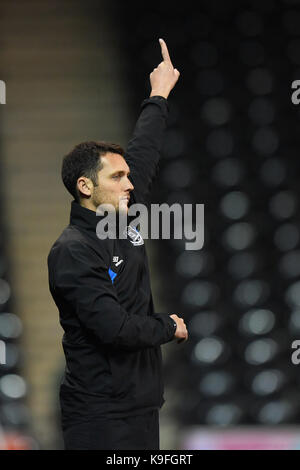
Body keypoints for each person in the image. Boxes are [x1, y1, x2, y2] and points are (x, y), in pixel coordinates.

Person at [47, 38, 188, 450]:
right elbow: (115, 329)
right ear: (85, 186)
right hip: (100, 418)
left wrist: (158, 94)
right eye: (117, 177)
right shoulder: (72, 250)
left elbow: (144, 150)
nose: (130, 183)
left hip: (141, 409)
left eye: (128, 176)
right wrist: (168, 326)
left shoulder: (123, 218)